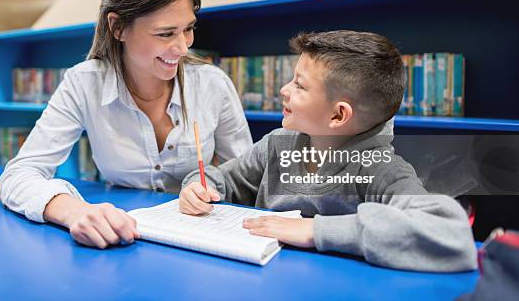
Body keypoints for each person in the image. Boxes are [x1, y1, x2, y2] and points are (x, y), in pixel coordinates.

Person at [0, 0, 253, 249]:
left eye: (188, 29)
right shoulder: (84, 82)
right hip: (122, 239)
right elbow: (19, 174)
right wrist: (73, 211)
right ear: (118, 27)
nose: (183, 48)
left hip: (202, 241)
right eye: (165, 34)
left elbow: (248, 176)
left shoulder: (213, 85)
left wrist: (212, 187)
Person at [180, 30, 477, 272]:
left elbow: (451, 231)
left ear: (338, 115)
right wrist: (198, 185)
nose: (284, 89)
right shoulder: (278, 144)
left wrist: (314, 231)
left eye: (299, 85)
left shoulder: (378, 168)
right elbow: (224, 180)